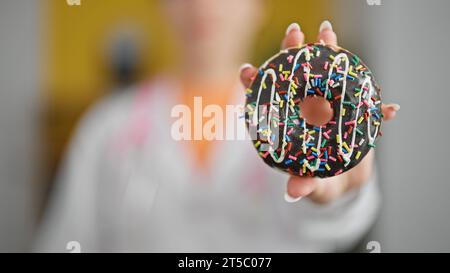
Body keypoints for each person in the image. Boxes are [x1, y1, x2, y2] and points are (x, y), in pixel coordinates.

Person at [35, 0, 399, 252]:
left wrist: (335, 196)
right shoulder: (104, 130)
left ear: (260, 4)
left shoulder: (302, 120)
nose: (202, 4)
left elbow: (335, 225)